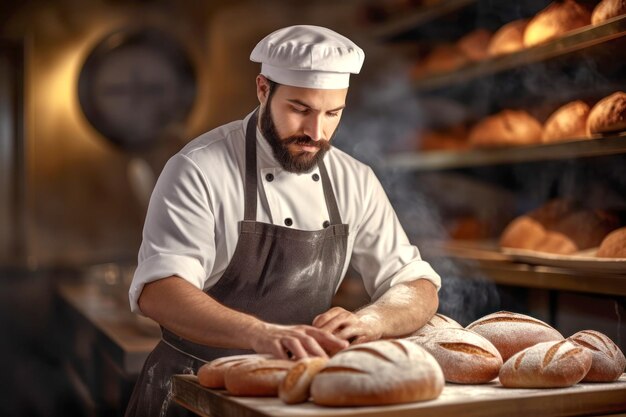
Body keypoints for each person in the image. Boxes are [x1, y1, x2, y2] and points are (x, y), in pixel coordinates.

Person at [125, 25, 441, 417]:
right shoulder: (198, 169)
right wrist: (261, 334)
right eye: (300, 109)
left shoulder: (354, 180)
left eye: (332, 114)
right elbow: (159, 290)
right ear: (263, 90)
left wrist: (373, 320)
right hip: (190, 391)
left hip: (289, 396)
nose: (316, 132)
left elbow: (417, 283)